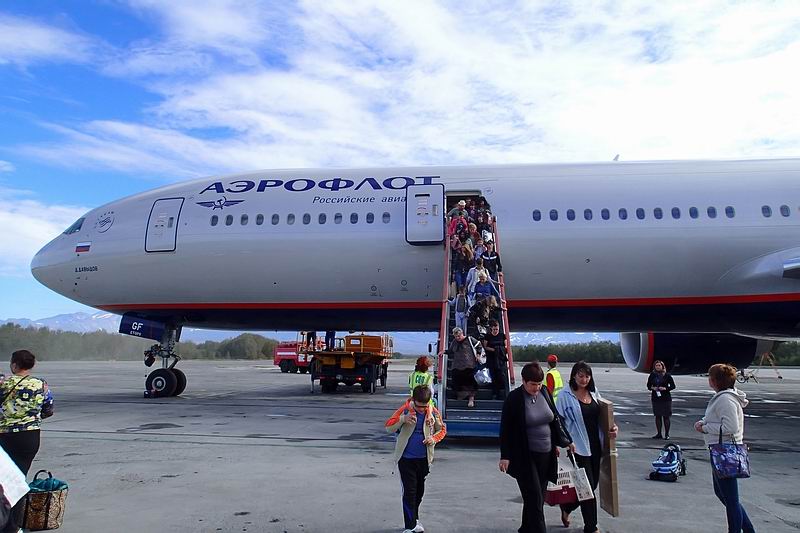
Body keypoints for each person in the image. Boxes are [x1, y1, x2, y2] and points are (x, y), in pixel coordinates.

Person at [499, 362, 562, 533]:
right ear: (524, 381)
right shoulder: (514, 399)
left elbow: (554, 420)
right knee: (534, 497)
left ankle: (526, 528)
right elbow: (505, 429)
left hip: (546, 454)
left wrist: (558, 443)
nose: (537, 388)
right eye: (533, 384)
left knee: (536, 497)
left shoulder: (545, 392)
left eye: (539, 384)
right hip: (524, 455)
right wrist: (505, 456)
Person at [556, 361, 618, 533]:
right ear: (574, 376)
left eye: (587, 376)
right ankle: (591, 527)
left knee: (592, 485)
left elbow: (604, 416)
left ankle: (567, 507)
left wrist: (613, 428)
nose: (584, 379)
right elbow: (558, 422)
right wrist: (564, 442)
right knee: (587, 487)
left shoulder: (593, 392)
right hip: (577, 448)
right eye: (580, 376)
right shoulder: (564, 396)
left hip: (595, 445)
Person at [694, 364, 755, 533]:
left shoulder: (725, 399)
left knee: (730, 499)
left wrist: (705, 428)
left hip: (725, 452)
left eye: (710, 377)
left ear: (714, 381)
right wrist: (704, 421)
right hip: (720, 450)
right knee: (724, 495)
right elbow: (717, 418)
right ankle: (748, 530)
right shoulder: (723, 397)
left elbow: (730, 427)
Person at [0, 350, 54, 532]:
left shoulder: (4, 383)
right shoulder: (41, 384)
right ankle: (15, 524)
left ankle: (6, 522)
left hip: (5, 436)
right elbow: (48, 410)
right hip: (30, 437)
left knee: (3, 481)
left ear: (14, 365)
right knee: (18, 479)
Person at [385, 385, 446, 533]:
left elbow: (442, 430)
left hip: (424, 459)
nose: (421, 410)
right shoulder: (405, 410)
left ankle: (414, 518)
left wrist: (433, 439)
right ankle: (410, 526)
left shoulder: (433, 412)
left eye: (424, 407)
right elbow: (389, 427)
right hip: (406, 459)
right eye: (419, 407)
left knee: (419, 491)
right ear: (413, 400)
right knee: (409, 492)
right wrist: (403, 419)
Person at [444, 327, 482, 408]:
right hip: (457, 365)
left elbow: (479, 345)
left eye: (459, 336)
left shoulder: (469, 339)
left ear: (462, 334)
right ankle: (462, 395)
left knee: (470, 382)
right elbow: (451, 351)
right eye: (456, 336)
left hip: (469, 364)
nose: (457, 338)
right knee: (456, 380)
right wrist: (444, 351)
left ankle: (471, 398)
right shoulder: (454, 342)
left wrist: (478, 355)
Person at [647, 360, 676, 439]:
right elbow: (648, 385)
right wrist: (653, 388)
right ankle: (659, 433)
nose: (658, 367)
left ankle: (667, 434)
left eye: (659, 365)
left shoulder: (667, 375)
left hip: (665, 398)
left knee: (666, 416)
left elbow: (673, 386)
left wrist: (665, 388)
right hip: (656, 397)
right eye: (656, 366)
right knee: (658, 416)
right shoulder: (652, 375)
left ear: (662, 366)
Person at [481, 319, 508, 399]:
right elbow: (485, 347)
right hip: (491, 358)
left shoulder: (502, 335)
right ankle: (495, 393)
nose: (496, 331)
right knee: (493, 375)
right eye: (494, 329)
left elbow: (506, 346)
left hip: (500, 359)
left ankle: (502, 392)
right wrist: (494, 350)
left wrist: (500, 350)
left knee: (500, 375)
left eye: (497, 329)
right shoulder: (488, 336)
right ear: (491, 329)